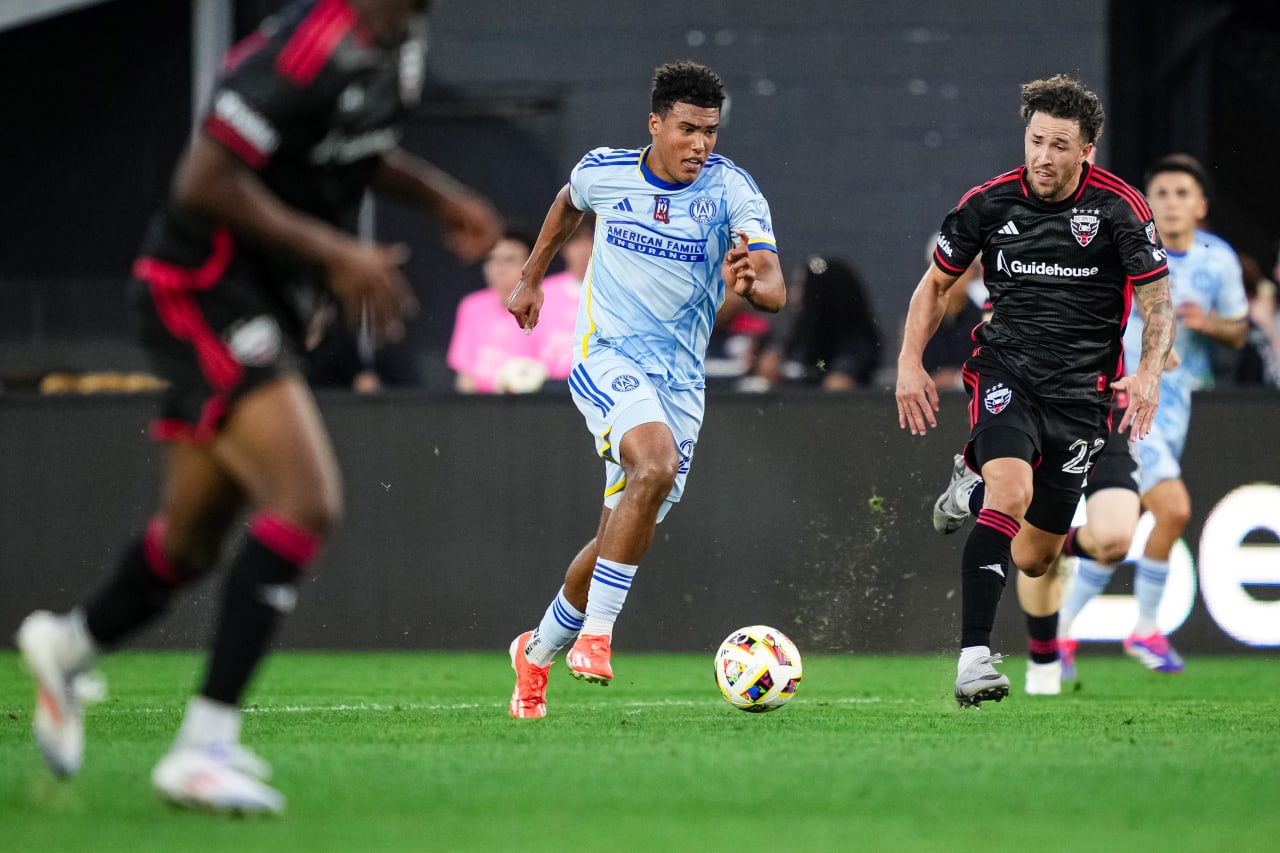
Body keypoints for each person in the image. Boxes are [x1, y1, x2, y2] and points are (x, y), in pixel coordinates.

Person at [14, 0, 500, 814]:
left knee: (192, 542)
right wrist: (337, 251)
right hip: (198, 288)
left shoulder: (401, 44)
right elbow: (202, 180)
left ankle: (66, 645)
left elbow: (352, 151)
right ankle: (203, 749)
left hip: (265, 297)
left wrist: (441, 198)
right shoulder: (302, 49)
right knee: (306, 503)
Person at [503, 60, 785, 718]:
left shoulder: (732, 192)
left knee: (616, 534)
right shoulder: (605, 171)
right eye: (687, 129)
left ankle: (536, 650)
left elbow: (772, 283)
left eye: (711, 131)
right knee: (653, 462)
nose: (700, 144)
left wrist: (753, 283)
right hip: (606, 356)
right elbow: (568, 203)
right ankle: (596, 638)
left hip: (679, 382)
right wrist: (530, 276)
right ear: (655, 124)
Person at [895, 74, 1174, 708]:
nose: (1043, 157)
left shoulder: (1120, 208)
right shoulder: (988, 204)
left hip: (1082, 398)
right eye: (1035, 140)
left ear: (1087, 152)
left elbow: (1159, 302)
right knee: (1010, 489)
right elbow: (935, 286)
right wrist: (910, 361)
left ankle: (968, 470)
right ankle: (973, 661)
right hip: (1008, 374)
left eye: (1059, 145)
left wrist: (1151, 369)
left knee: (1035, 560)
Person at [1021, 154, 1246, 688]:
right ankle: (1141, 627)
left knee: (1119, 535)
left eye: (1181, 193)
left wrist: (1205, 324)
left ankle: (1067, 625)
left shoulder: (1218, 260)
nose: (1169, 203)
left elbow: (1238, 331)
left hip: (1176, 404)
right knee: (1171, 509)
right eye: (1160, 193)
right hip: (1121, 398)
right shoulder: (1124, 243)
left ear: (1200, 206)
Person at [447, 226, 554, 393]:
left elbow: (548, 370)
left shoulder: (548, 305)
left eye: (509, 260)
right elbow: (465, 376)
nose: (499, 268)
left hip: (531, 404)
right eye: (492, 259)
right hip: (483, 406)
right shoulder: (472, 307)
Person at [782, 255, 883, 390]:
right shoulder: (802, 337)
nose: (793, 296)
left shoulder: (853, 350)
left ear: (823, 295)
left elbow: (835, 380)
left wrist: (838, 377)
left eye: (801, 287)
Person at [535, 212, 596, 385]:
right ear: (563, 247)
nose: (584, 250)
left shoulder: (616, 294)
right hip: (547, 393)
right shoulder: (541, 292)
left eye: (590, 240)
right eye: (575, 241)